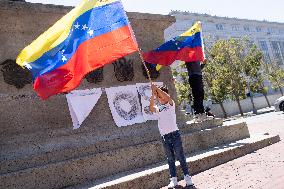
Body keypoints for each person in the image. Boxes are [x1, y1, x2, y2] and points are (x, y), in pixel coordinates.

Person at [150, 84, 193, 188]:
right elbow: (151, 108)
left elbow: (167, 97)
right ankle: (173, 179)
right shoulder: (158, 108)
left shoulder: (170, 104)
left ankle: (187, 177)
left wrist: (157, 89)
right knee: (170, 159)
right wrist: (153, 94)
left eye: (161, 96)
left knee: (180, 157)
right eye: (158, 97)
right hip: (165, 137)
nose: (160, 98)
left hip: (175, 135)